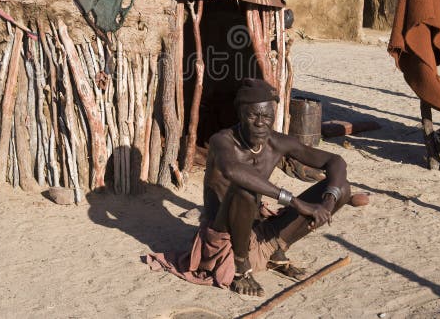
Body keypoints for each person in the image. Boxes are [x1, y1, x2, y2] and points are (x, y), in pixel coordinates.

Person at [148, 78, 367, 296]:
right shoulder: (222, 141)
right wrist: (296, 203)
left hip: (258, 232)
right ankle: (241, 269)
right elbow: (234, 172)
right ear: (240, 115)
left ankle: (276, 249)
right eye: (253, 116)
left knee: (343, 189)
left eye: (267, 116)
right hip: (224, 235)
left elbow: (335, 161)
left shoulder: (277, 142)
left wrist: (328, 200)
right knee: (245, 189)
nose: (260, 123)